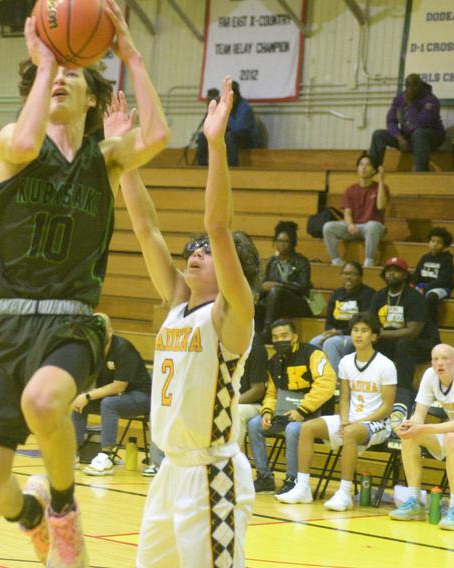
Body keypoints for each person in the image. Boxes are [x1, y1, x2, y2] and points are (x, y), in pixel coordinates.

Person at [0, 5, 168, 565]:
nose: (58, 80)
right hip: (3, 320)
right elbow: (27, 145)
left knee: (44, 400)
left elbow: (159, 134)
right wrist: (48, 60)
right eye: (50, 76)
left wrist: (131, 55)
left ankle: (64, 509)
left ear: (94, 99)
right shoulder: (13, 141)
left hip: (69, 316)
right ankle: (30, 515)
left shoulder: (107, 160)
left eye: (71, 75)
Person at [125, 76, 258, 568]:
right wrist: (123, 161)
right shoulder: (179, 301)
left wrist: (216, 144)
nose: (197, 253)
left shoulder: (231, 313)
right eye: (193, 251)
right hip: (168, 472)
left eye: (205, 252)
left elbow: (217, 225)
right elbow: (145, 227)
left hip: (212, 474)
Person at [277, 312, 396, 511]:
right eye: (355, 330)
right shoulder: (346, 362)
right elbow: (345, 398)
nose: (358, 335)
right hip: (350, 419)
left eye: (364, 331)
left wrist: (357, 422)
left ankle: (344, 492)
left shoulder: (386, 365)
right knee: (307, 428)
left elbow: (386, 407)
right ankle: (303, 487)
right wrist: (343, 419)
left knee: (350, 432)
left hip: (378, 423)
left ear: (374, 336)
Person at [248, 319, 336, 495]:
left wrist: (302, 410)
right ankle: (264, 477)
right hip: (285, 413)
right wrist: (267, 412)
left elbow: (326, 384)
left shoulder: (313, 354)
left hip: (314, 414)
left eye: (284, 336)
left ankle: (293, 479)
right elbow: (272, 394)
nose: (280, 340)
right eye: (276, 337)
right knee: (254, 424)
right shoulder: (273, 362)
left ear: (295, 337)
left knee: (293, 429)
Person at [388, 344, 454, 530]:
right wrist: (410, 425)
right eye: (435, 359)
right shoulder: (430, 375)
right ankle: (414, 501)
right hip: (453, 434)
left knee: (452, 437)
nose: (440, 363)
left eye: (445, 358)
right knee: (409, 436)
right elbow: (419, 414)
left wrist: (422, 428)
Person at [72, 313, 151, 476]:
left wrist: (88, 396)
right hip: (115, 397)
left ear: (110, 332)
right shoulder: (91, 350)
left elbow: (119, 386)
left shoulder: (123, 348)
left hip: (141, 397)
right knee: (79, 402)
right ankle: (73, 453)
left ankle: (106, 456)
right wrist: (82, 395)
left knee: (108, 403)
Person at [370, 257, 440, 393]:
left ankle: (403, 392)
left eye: (396, 270)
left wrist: (381, 334)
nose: (391, 274)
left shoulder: (414, 297)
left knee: (404, 343)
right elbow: (371, 323)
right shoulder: (379, 296)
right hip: (390, 340)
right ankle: (371, 387)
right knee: (366, 340)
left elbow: (413, 331)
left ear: (405, 274)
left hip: (421, 342)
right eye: (388, 270)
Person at [322, 153, 390, 267]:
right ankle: (336, 261)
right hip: (355, 228)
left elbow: (380, 206)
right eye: (361, 164)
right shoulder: (350, 190)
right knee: (328, 227)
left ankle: (369, 261)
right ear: (357, 168)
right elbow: (347, 214)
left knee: (372, 225)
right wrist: (350, 225)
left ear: (374, 170)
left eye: (367, 165)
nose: (363, 167)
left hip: (373, 228)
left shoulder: (381, 187)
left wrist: (381, 181)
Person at [369, 74, 445, 172]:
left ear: (421, 85)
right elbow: (391, 121)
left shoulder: (431, 100)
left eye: (414, 85)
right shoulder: (400, 98)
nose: (411, 88)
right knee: (378, 134)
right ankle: (372, 170)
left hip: (432, 137)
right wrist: (400, 138)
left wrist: (410, 105)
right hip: (409, 137)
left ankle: (421, 173)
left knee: (419, 133)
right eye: (408, 85)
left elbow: (421, 123)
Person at [309, 261, 376, 371]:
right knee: (314, 342)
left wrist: (340, 332)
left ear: (360, 277)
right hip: (336, 333)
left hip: (355, 335)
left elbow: (364, 322)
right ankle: (318, 378)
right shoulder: (337, 294)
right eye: (345, 273)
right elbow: (329, 320)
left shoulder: (368, 294)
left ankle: (337, 382)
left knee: (331, 343)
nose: (348, 277)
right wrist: (330, 331)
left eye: (352, 274)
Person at [256, 220, 313, 338]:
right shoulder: (272, 262)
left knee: (275, 291)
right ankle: (255, 335)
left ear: (293, 242)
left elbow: (303, 287)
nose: (282, 244)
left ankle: (267, 331)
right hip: (275, 301)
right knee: (256, 301)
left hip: (297, 302)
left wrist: (279, 285)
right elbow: (266, 284)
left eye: (286, 241)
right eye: (279, 241)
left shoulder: (301, 261)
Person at [196, 80, 260, 167]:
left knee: (229, 137)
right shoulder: (226, 106)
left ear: (235, 95)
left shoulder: (245, 108)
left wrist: (225, 113)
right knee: (203, 136)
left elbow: (237, 128)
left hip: (248, 139)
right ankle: (202, 167)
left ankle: (233, 167)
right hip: (231, 136)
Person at [413, 227, 454, 323]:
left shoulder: (447, 259)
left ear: (445, 245)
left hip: (441, 288)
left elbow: (444, 279)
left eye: (439, 242)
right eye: (432, 241)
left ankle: (431, 323)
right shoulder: (425, 257)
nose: (435, 244)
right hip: (423, 286)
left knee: (431, 296)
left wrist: (426, 287)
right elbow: (417, 274)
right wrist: (414, 285)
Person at [236, 330, 269, 449]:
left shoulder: (255, 348)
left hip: (253, 404)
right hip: (230, 401)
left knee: (234, 412)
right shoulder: (220, 345)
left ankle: (230, 460)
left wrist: (229, 403)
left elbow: (257, 390)